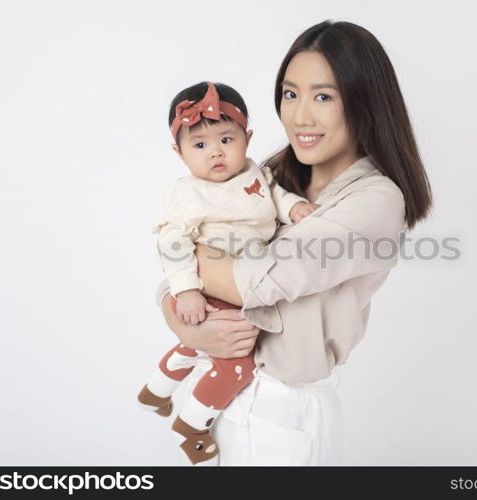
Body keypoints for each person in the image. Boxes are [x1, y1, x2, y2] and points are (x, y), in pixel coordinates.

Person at [155, 20, 433, 465]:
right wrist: (182, 317)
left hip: (285, 412)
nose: (300, 116)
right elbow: (173, 274)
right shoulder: (263, 178)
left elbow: (258, 282)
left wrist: (189, 264)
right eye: (290, 93)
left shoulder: (375, 201)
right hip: (222, 394)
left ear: (364, 103)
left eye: (323, 96)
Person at [138, 81, 318, 466]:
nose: (216, 152)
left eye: (226, 139)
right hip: (210, 286)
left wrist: (295, 209)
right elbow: (173, 244)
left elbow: (276, 198)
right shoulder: (187, 193)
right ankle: (192, 425)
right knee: (236, 360)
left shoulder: (255, 174)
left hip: (245, 279)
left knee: (201, 344)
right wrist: (185, 290)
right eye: (200, 145)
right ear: (179, 152)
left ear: (247, 139)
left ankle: (155, 391)